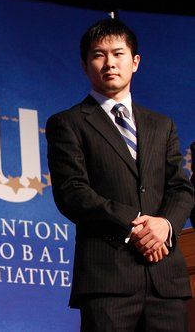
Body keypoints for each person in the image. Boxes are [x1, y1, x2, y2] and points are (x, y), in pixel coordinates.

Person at [46, 18, 193, 332]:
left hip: (165, 281)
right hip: (107, 281)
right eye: (99, 55)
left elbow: (180, 188)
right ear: (85, 65)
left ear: (135, 61)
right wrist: (138, 225)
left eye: (118, 53)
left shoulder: (161, 125)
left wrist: (164, 224)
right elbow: (73, 192)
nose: (109, 63)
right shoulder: (68, 123)